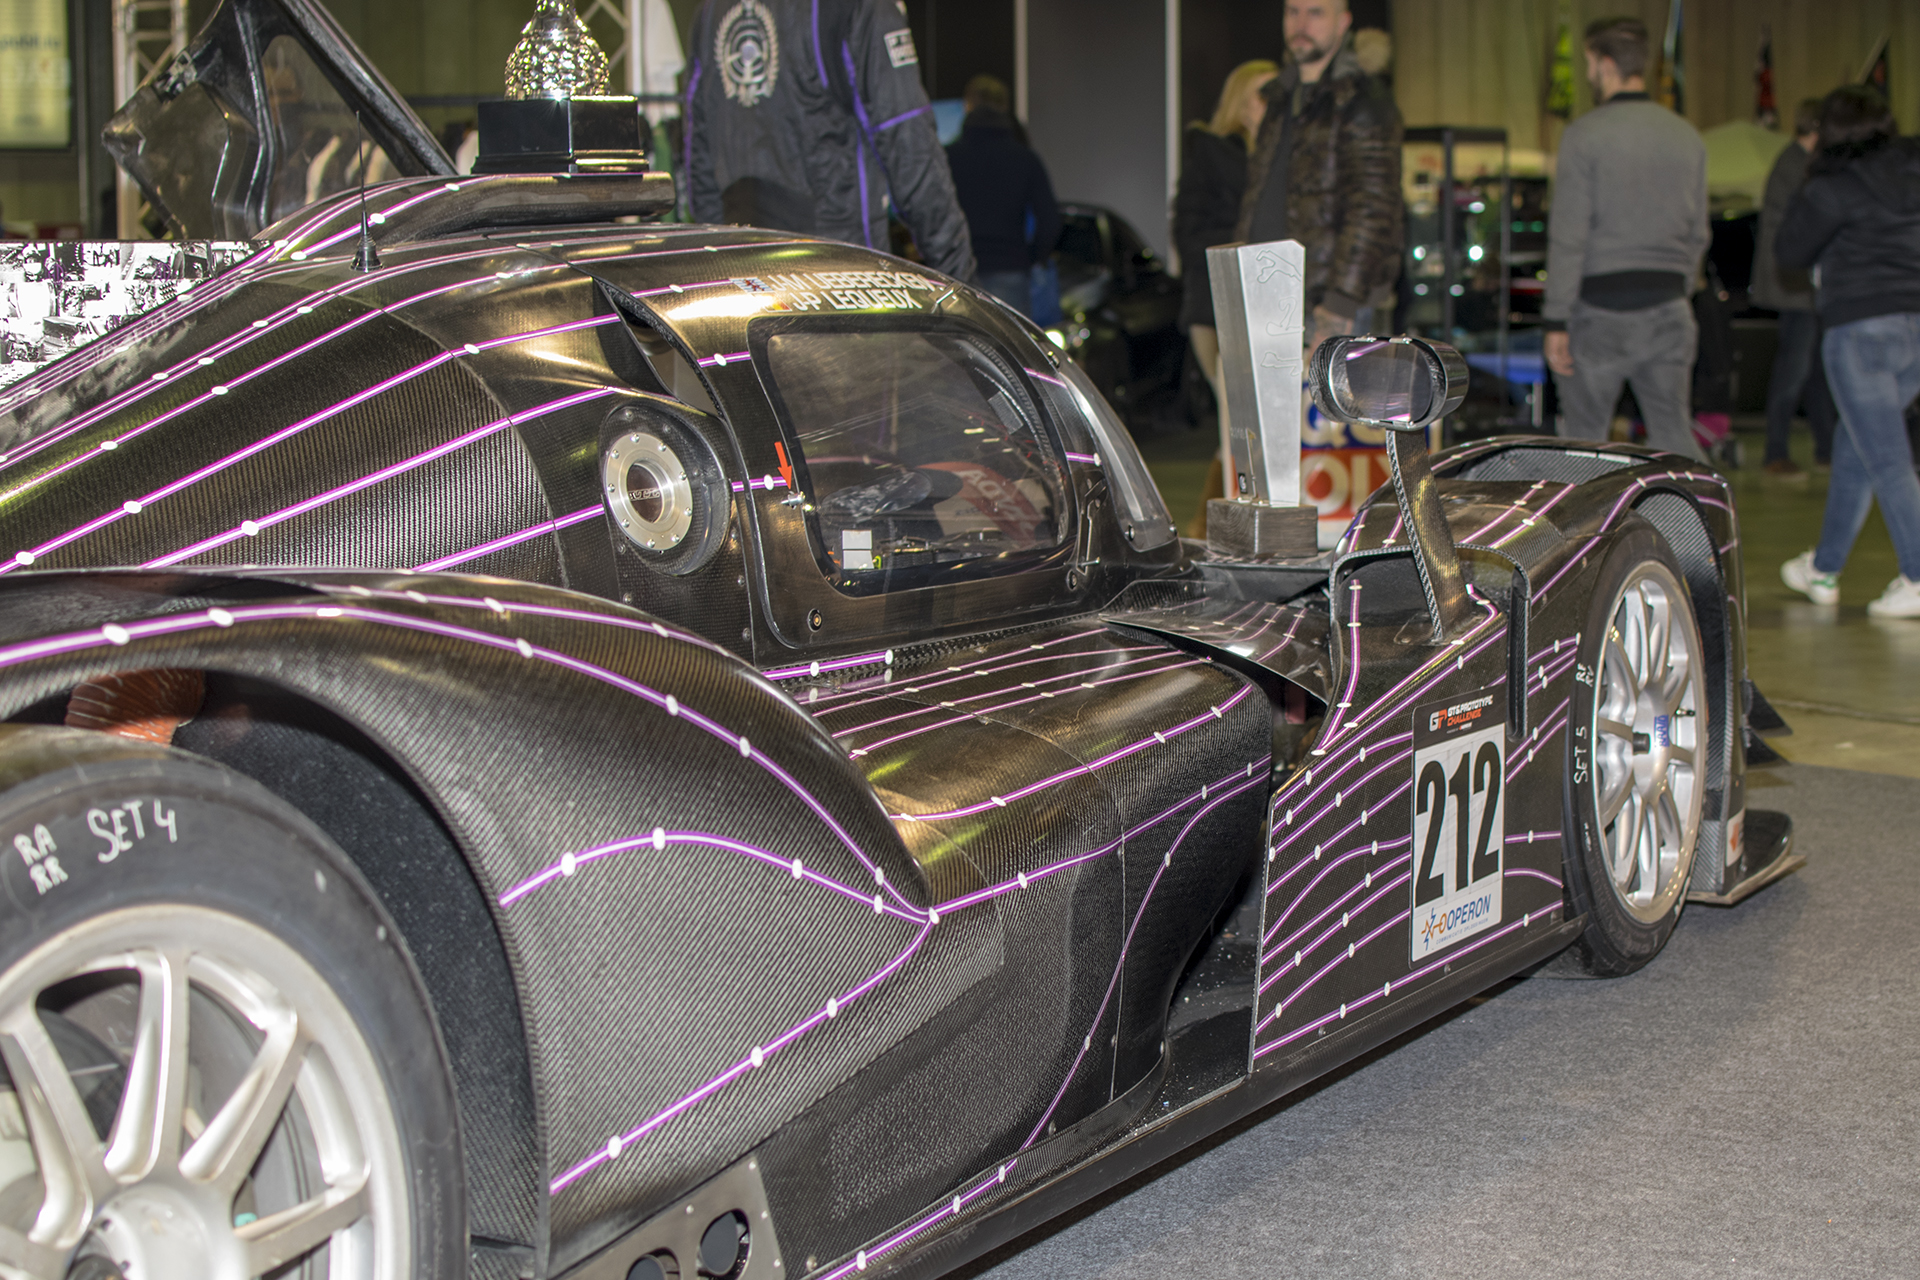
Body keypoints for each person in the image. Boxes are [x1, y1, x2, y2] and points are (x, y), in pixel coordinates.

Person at [683, 0, 975, 282]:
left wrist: (720, 265)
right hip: (841, 280)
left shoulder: (710, 13)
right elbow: (910, 146)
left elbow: (698, 162)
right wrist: (963, 284)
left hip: (744, 282)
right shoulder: (857, 7)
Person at [1776, 86, 1920, 618]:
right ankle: (1825, 568)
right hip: (1915, 328)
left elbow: (1789, 251)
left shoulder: (1832, 185)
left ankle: (1918, 575)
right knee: (1859, 444)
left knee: (1886, 456)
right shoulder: (1913, 164)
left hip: (1859, 330)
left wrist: (1810, 177)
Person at [1541, 17, 1708, 460]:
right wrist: (1677, 291)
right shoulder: (1687, 137)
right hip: (1670, 308)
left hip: (1599, 314)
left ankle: (1584, 531)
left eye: (1590, 64)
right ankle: (1700, 526)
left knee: (1585, 446)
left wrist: (1556, 318)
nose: (1590, 74)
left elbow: (1568, 234)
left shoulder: (1584, 135)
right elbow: (1698, 234)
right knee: (1674, 438)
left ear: (1606, 64)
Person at [1234, 0, 1403, 350]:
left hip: (1329, 306)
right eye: (1292, 11)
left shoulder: (1365, 101)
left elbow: (1373, 210)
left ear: (1343, 23)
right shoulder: (1280, 98)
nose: (1301, 24)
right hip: (1268, 295)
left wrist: (1338, 304)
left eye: (1315, 12)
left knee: (1327, 405)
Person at [1176, 59, 1277, 537]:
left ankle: (1218, 528)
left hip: (1268, 306)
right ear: (1238, 100)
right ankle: (1207, 527)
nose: (1269, 103)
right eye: (1261, 93)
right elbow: (1187, 232)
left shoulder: (1281, 155)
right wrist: (1249, 239)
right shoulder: (1211, 152)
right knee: (1236, 426)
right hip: (1217, 306)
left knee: (1249, 430)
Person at [1753, 98, 1838, 477]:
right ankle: (1775, 452)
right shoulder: (1797, 166)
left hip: (1803, 288)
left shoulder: (1795, 163)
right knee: (1795, 369)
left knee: (1816, 370)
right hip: (1796, 288)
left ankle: (1826, 447)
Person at [944, 75, 1061, 316]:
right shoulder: (1026, 159)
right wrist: (1030, 258)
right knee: (1009, 351)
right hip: (1011, 271)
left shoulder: (948, 158)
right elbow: (1050, 222)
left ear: (968, 105)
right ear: (1005, 108)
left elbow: (932, 213)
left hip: (958, 271)